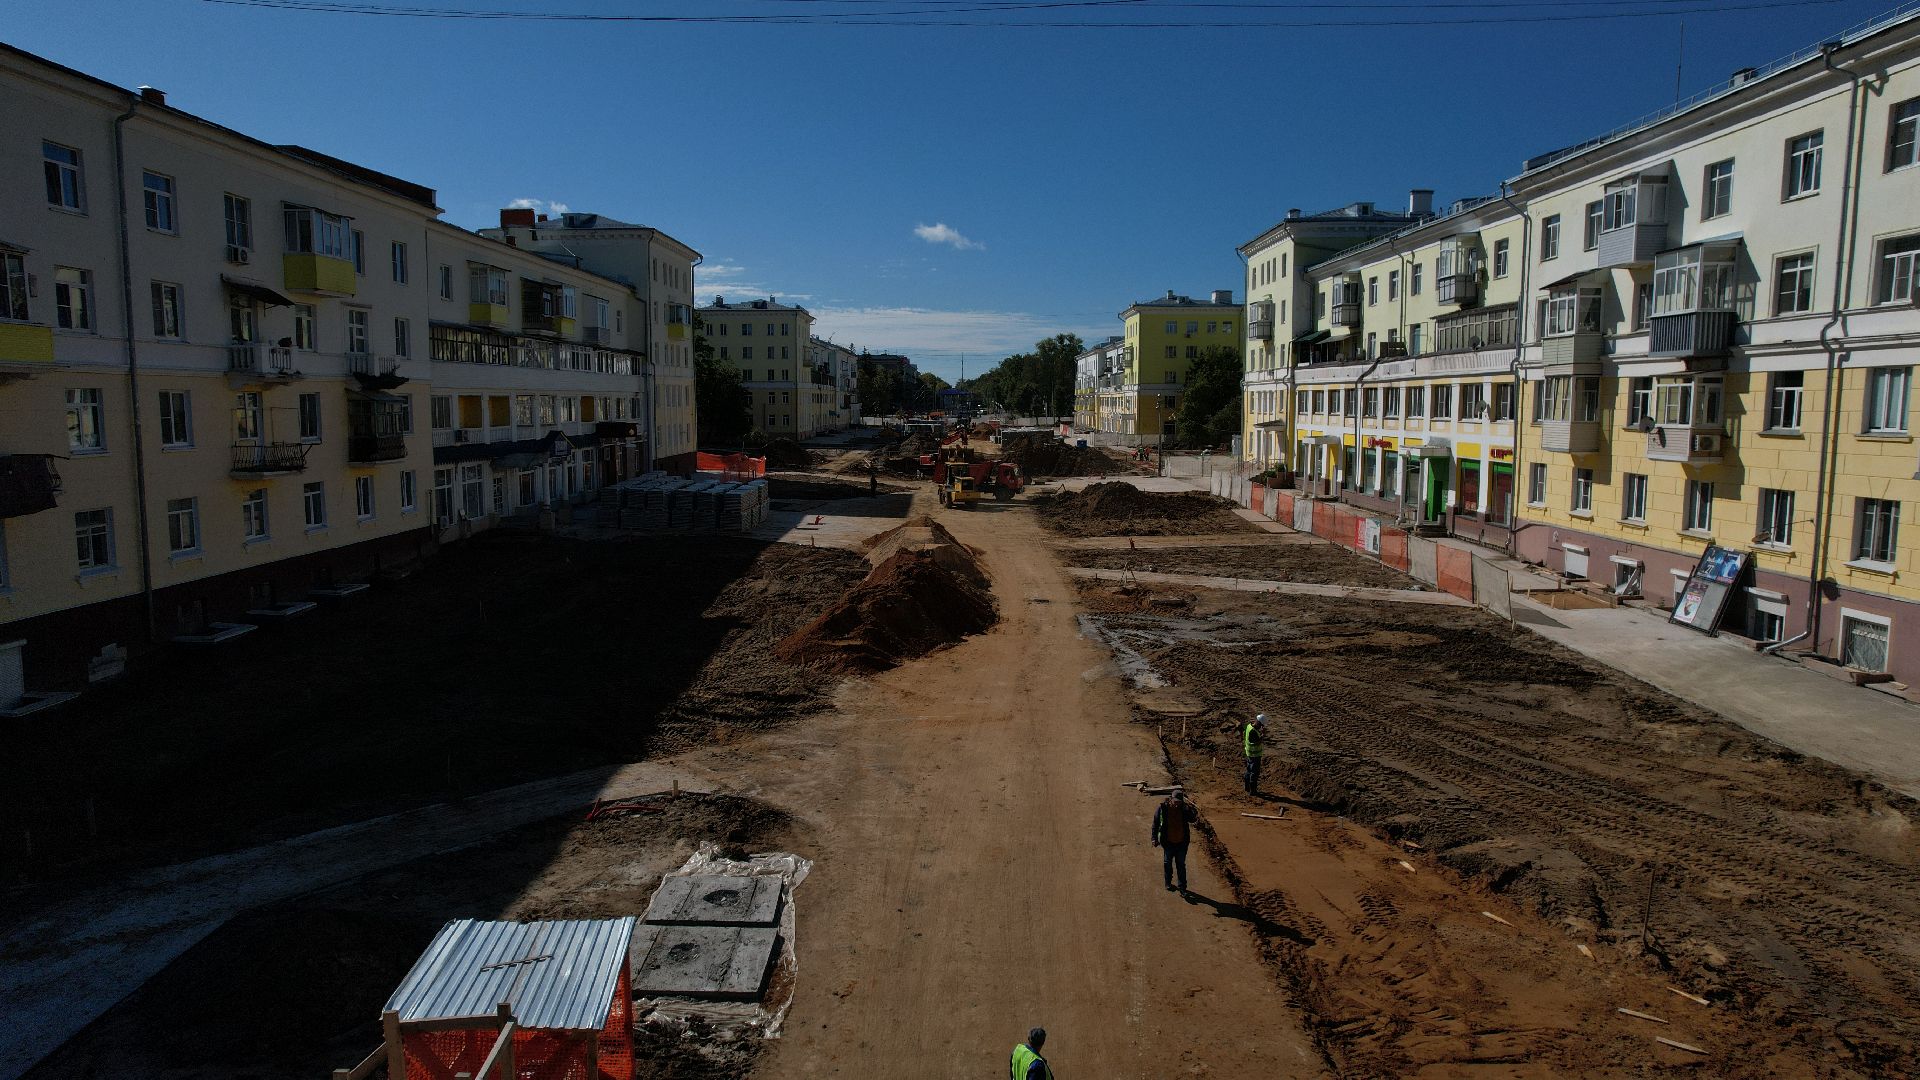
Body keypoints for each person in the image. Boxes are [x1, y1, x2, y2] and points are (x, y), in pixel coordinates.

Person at [1151, 787, 1198, 892]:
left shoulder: (1184, 809)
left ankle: (1182, 887)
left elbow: (1193, 819)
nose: (1177, 804)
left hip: (1181, 842)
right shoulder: (1163, 809)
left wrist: (1191, 809)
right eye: (1175, 801)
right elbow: (1156, 823)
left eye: (1179, 802)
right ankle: (1168, 882)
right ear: (1171, 799)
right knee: (1167, 863)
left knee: (1181, 865)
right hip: (1168, 842)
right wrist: (1154, 838)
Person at [1242, 714, 1268, 796]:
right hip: (1254, 755)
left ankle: (1247, 787)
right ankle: (1253, 791)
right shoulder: (1253, 731)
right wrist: (1263, 735)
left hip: (1249, 753)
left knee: (1249, 770)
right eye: (1261, 725)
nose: (1261, 727)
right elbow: (1257, 742)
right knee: (1254, 773)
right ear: (1259, 723)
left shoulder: (1249, 726)